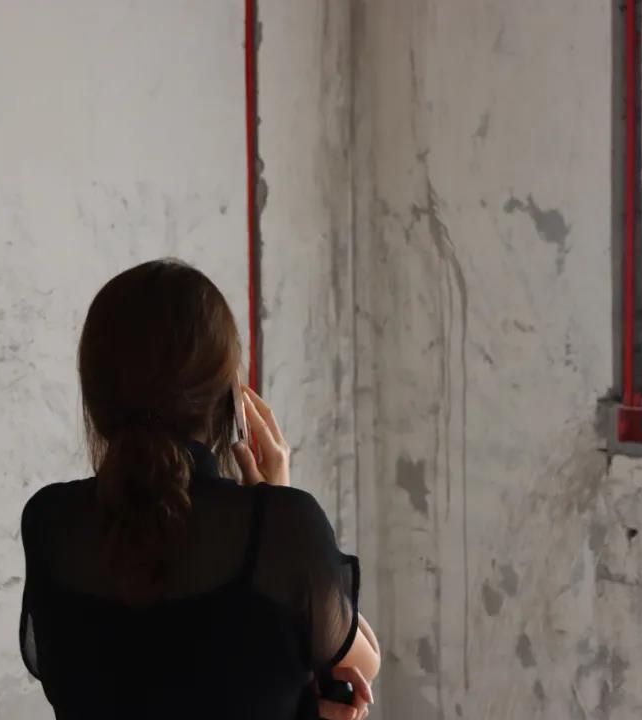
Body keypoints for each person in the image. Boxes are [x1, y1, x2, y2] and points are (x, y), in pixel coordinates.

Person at [19, 259, 381, 719]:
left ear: (95, 393)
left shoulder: (51, 522)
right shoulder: (280, 529)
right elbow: (362, 662)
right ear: (229, 398)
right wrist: (277, 500)